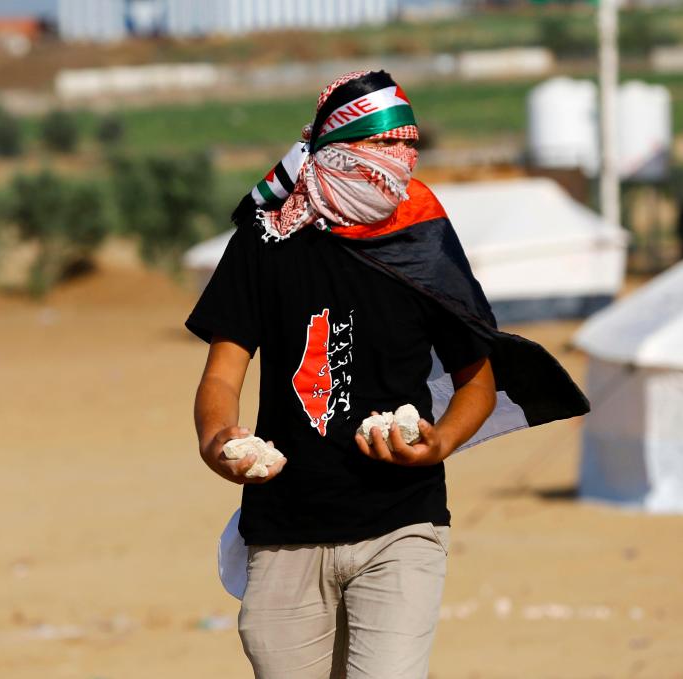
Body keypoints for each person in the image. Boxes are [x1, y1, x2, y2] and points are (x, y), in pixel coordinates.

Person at [187, 70, 588, 679]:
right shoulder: (266, 241)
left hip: (402, 524)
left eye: (410, 144)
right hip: (284, 527)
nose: (402, 160)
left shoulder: (421, 235)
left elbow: (476, 376)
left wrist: (441, 443)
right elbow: (222, 373)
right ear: (338, 146)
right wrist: (219, 442)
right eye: (385, 145)